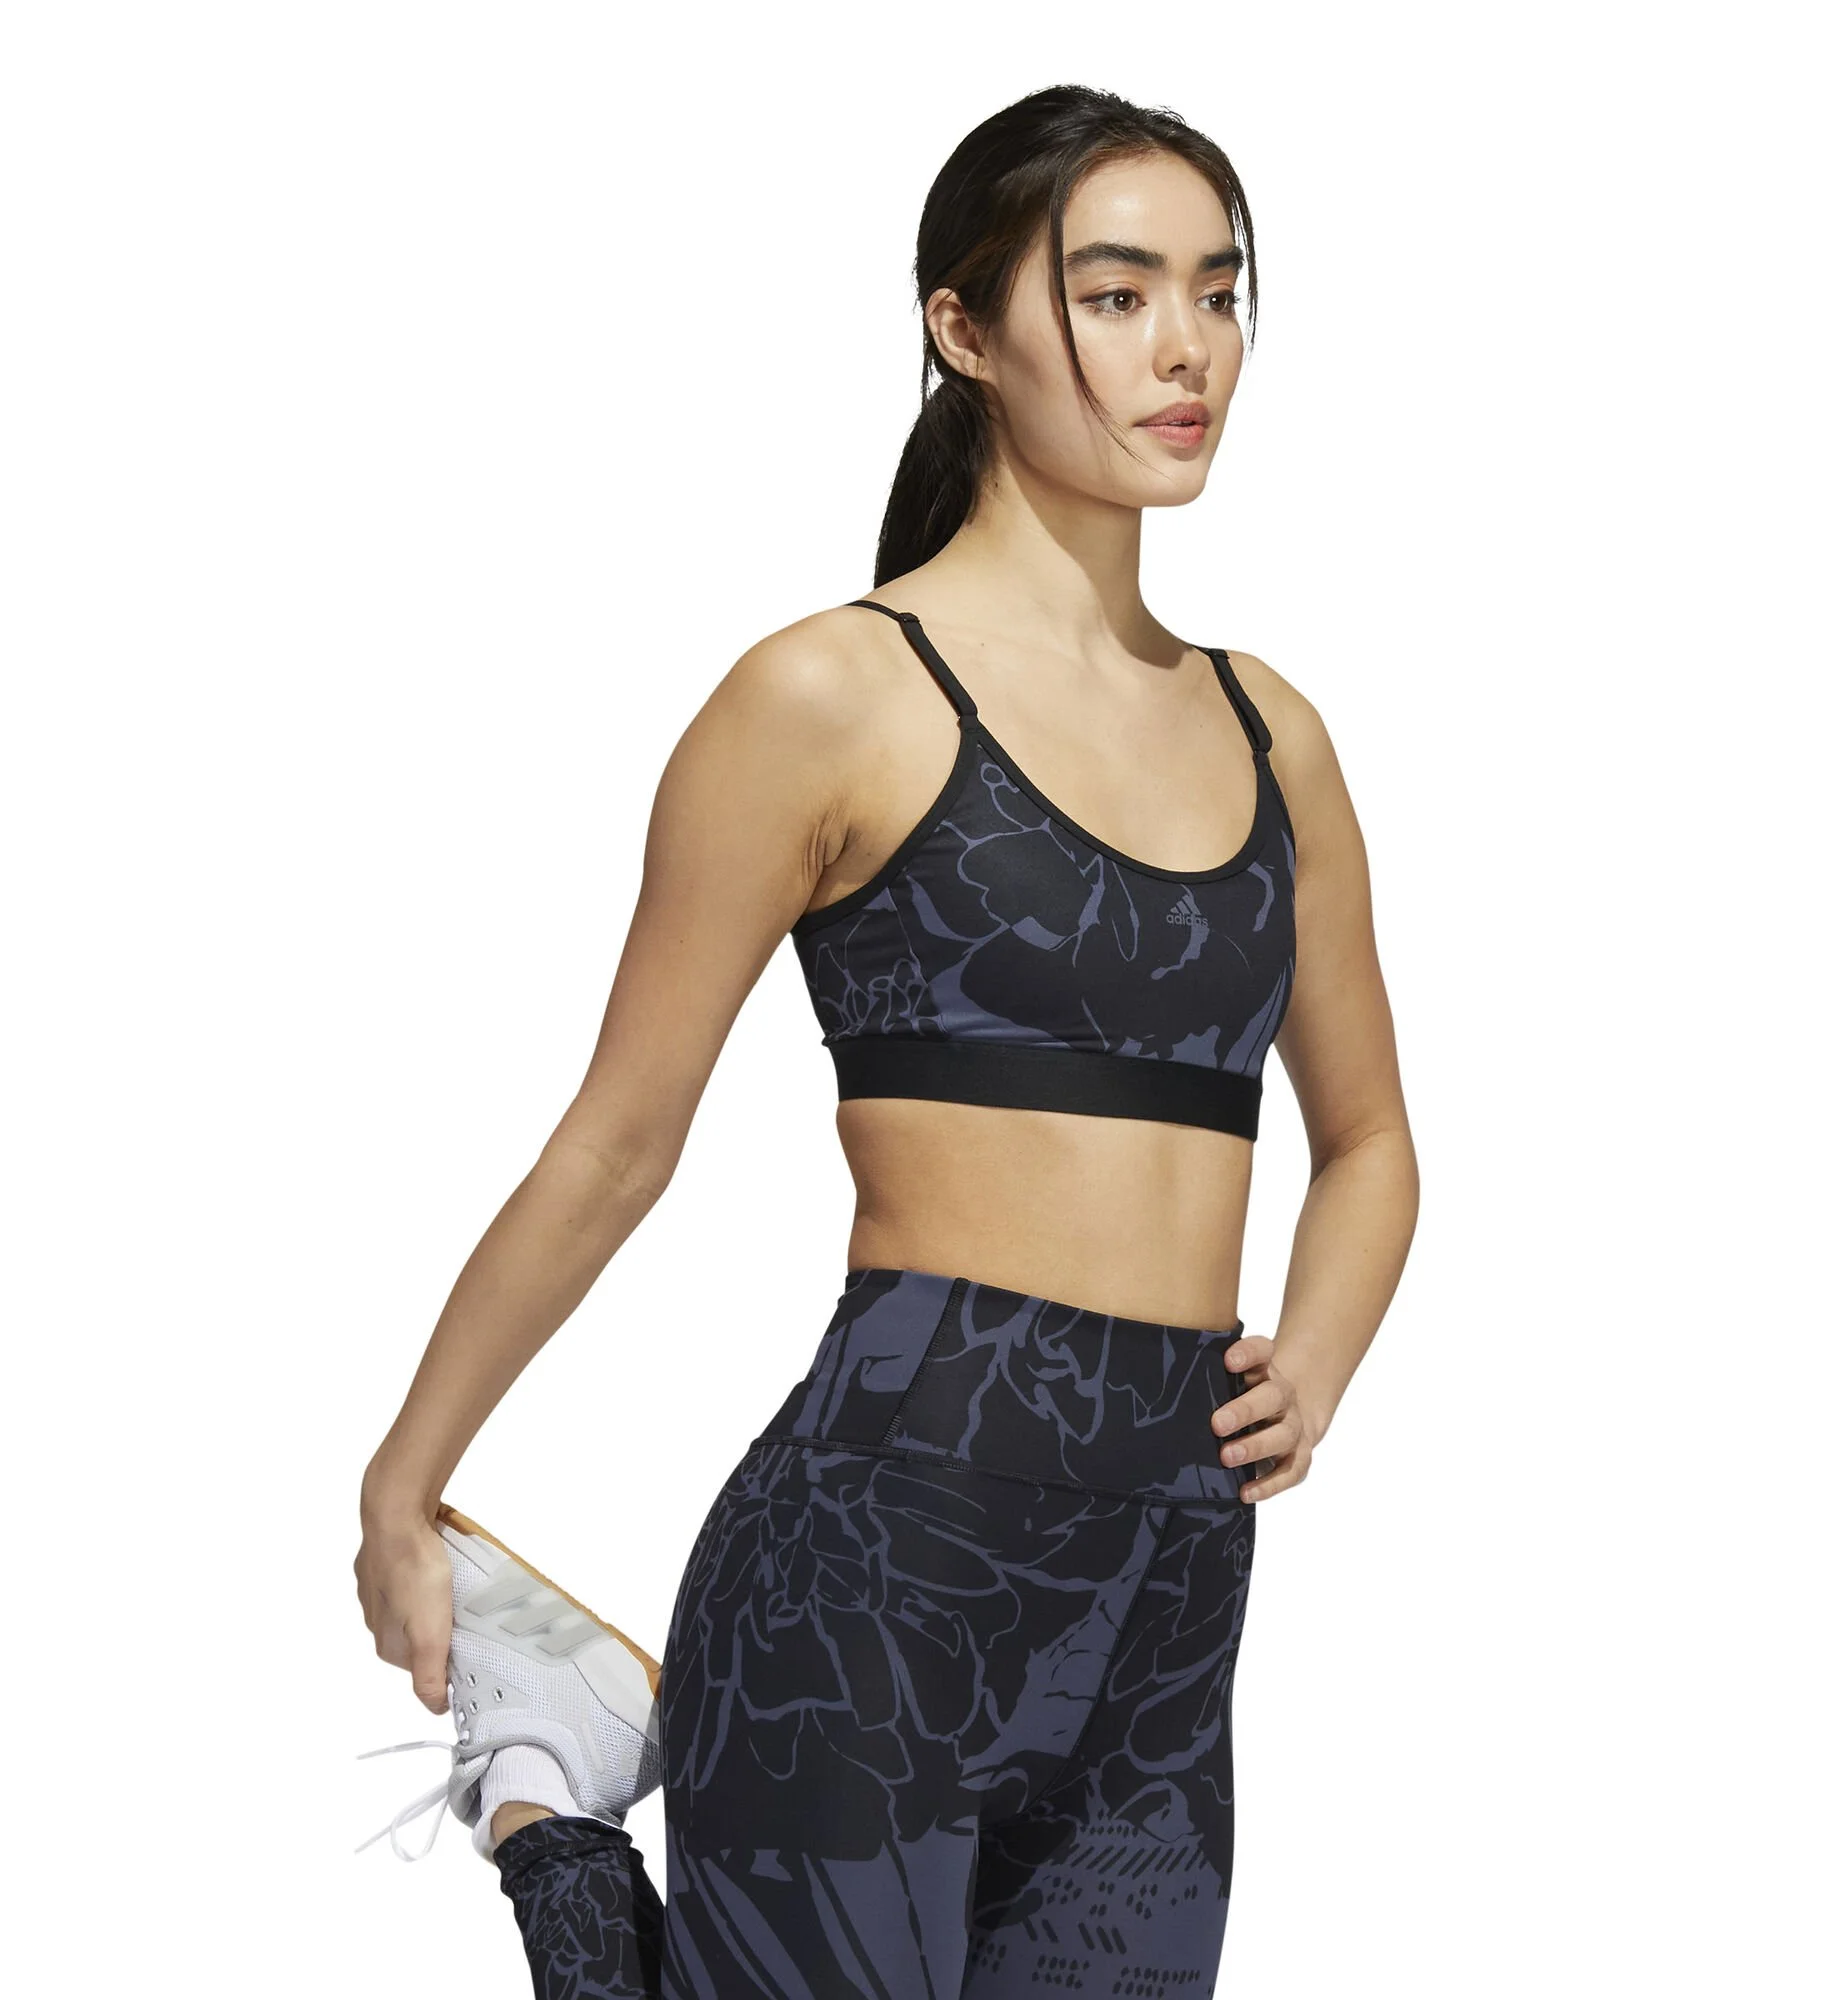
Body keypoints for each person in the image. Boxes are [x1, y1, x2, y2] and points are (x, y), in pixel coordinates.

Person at [353, 81, 1419, 2000]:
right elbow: (618, 1140)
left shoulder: (1278, 736)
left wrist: (1320, 1353)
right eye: (1115, 294)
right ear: (963, 329)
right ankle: (544, 1797)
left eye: (1219, 291)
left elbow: (1370, 1141)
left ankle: (557, 1777)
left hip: (1174, 1593)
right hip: (881, 1564)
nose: (1186, 348)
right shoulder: (828, 697)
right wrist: (402, 1476)